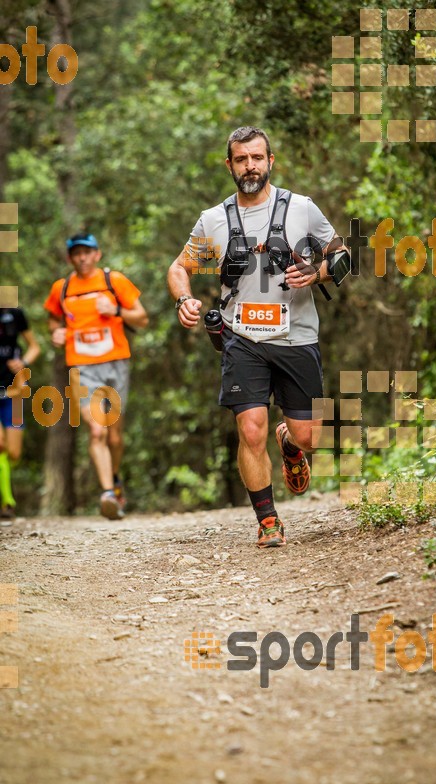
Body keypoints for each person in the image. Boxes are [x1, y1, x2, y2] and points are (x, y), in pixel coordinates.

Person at [168, 126, 349, 548]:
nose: (250, 166)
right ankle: (268, 520)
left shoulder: (302, 208)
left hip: (297, 336)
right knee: (250, 430)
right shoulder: (212, 219)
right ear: (229, 164)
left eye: (257, 157)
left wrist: (317, 272)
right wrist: (183, 299)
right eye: (241, 159)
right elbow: (180, 268)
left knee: (308, 437)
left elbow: (342, 254)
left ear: (271, 161)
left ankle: (289, 440)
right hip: (241, 336)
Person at [44, 233, 148, 519]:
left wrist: (115, 309)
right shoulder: (62, 288)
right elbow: (52, 318)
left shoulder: (113, 281)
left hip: (115, 362)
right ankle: (107, 494)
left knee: (114, 436)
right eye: (76, 253)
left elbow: (142, 317)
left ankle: (114, 480)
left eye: (87, 252)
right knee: (97, 429)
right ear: (70, 258)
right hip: (81, 367)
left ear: (97, 254)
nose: (82, 258)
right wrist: (55, 332)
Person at [0, 307, 40, 518]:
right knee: (0, 444)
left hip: (13, 392)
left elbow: (34, 347)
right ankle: (7, 502)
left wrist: (23, 363)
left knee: (13, 453)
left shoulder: (15, 313)